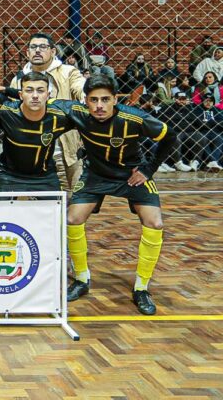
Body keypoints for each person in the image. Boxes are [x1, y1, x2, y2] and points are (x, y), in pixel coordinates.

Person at [65, 74, 177, 315]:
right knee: (72, 219)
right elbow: (45, 104)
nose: (99, 105)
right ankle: (82, 279)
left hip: (131, 174)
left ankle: (141, 288)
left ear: (115, 99)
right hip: (95, 175)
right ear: (85, 100)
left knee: (155, 223)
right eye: (93, 100)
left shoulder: (135, 118)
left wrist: (148, 169)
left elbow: (170, 136)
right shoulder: (76, 112)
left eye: (105, 99)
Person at [10, 33, 86, 190]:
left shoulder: (68, 72)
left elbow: (81, 87)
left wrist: (87, 94)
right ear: (27, 52)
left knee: (72, 196)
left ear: (53, 51)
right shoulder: (18, 80)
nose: (38, 50)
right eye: (33, 47)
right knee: (38, 200)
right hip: (32, 152)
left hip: (64, 149)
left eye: (43, 47)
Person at [0, 72, 75, 192]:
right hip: (9, 174)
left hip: (45, 176)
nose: (35, 96)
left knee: (57, 204)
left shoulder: (59, 116)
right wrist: (6, 90)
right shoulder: (6, 112)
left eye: (40, 91)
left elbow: (90, 118)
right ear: (20, 95)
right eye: (29, 90)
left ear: (48, 95)